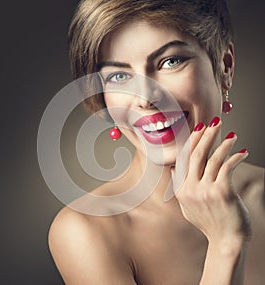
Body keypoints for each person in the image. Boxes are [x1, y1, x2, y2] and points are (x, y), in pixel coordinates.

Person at [48, 0, 265, 284]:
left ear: (225, 66)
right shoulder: (86, 230)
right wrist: (227, 244)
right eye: (119, 76)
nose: (145, 98)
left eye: (170, 61)